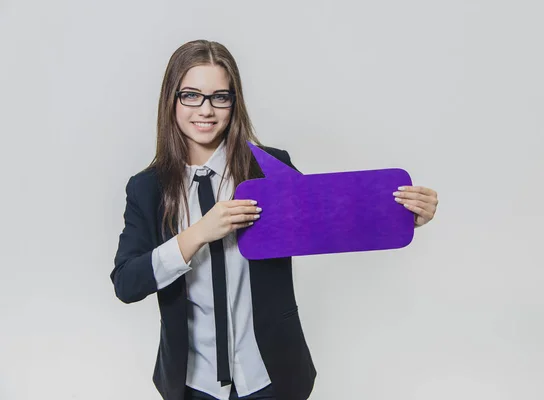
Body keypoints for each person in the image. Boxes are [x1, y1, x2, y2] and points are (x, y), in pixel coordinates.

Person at [111, 39, 439, 400]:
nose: (205, 110)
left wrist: (401, 216)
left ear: (234, 103)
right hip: (192, 382)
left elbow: (330, 222)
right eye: (191, 95)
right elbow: (127, 283)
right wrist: (198, 234)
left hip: (270, 376)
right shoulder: (147, 188)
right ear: (171, 99)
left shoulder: (268, 170)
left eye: (220, 96)